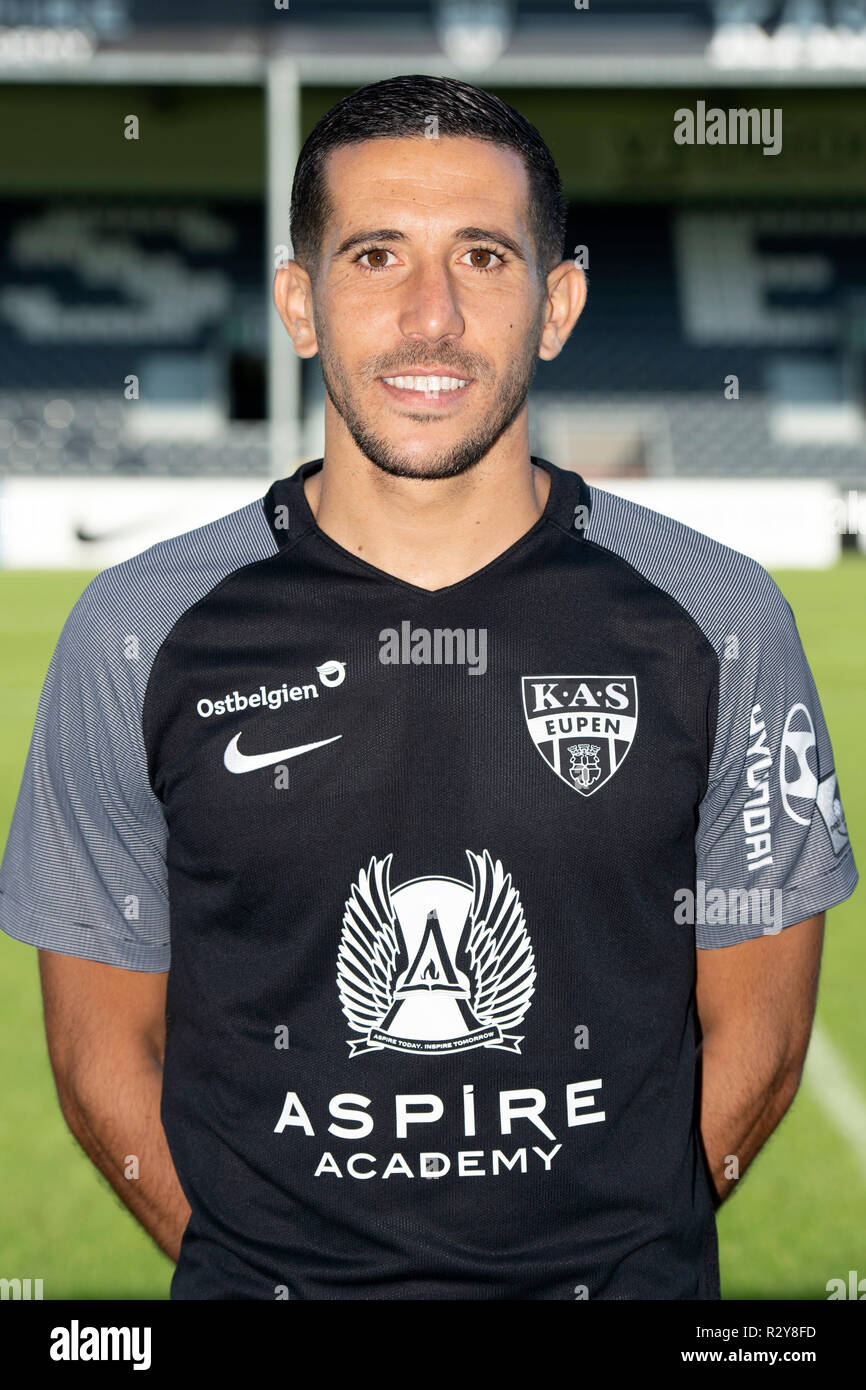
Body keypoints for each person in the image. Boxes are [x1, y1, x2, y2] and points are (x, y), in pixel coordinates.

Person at [0, 74, 857, 1301]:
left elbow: (761, 1048)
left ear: (555, 305)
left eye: (483, 258)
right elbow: (98, 1057)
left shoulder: (720, 621)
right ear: (299, 302)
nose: (430, 316)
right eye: (374, 255)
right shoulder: (133, 634)